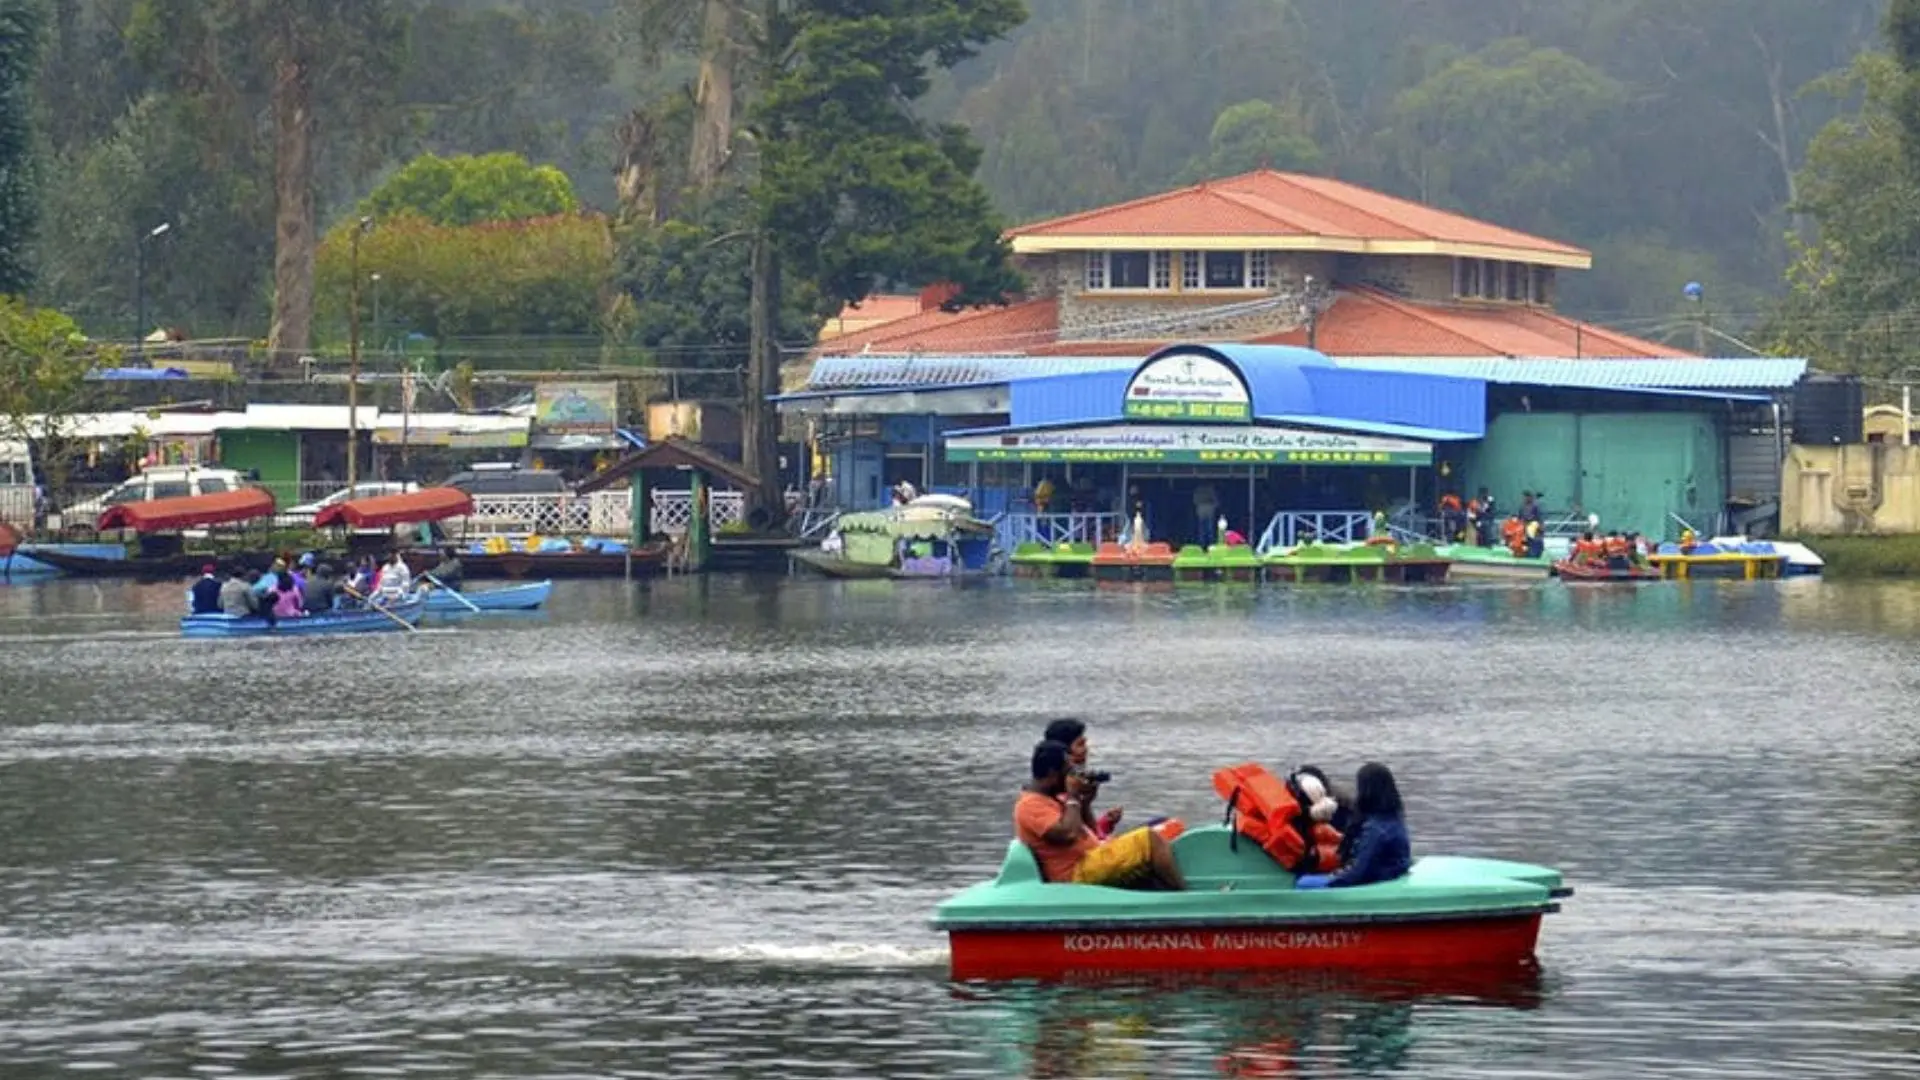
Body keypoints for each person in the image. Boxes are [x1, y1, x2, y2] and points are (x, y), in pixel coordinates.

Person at [1015, 740, 1185, 890]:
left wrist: (1085, 803)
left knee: (1160, 835)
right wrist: (1073, 797)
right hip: (1074, 873)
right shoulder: (1030, 805)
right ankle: (1182, 899)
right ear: (1052, 773)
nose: (1071, 776)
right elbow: (1068, 834)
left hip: (1090, 859)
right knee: (1150, 839)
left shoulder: (1051, 799)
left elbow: (1088, 832)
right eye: (1068, 771)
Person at [1296, 763, 1410, 889]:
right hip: (1392, 871)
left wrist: (1334, 879)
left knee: (1302, 882)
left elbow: (1358, 872)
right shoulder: (1393, 816)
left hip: (1379, 877)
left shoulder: (1375, 829)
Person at [1043, 718, 1122, 839]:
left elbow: (1091, 835)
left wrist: (1104, 822)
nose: (1086, 749)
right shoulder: (1057, 792)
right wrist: (1074, 798)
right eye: (1080, 744)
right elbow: (1072, 836)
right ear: (1064, 753)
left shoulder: (1073, 783)